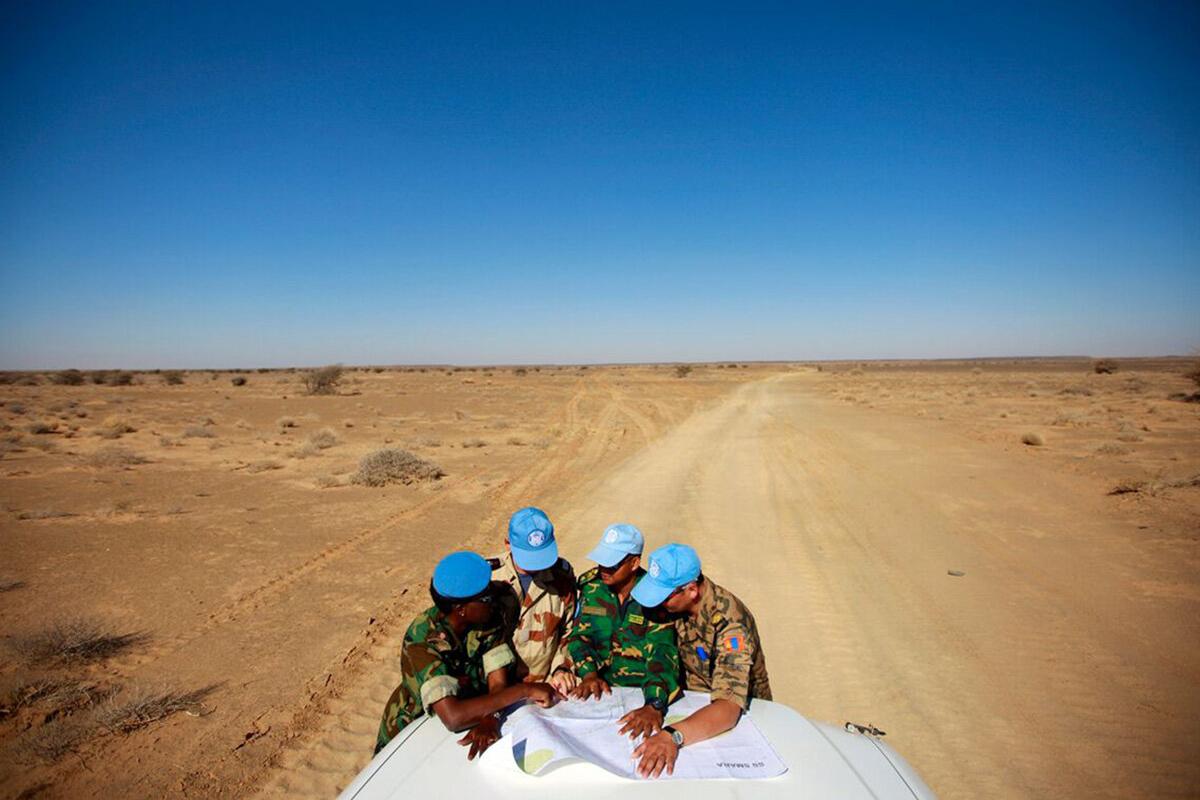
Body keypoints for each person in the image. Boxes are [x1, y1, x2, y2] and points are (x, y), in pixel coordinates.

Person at [374, 551, 558, 758]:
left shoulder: (487, 615)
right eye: (485, 596)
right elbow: (454, 716)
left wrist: (492, 716)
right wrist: (524, 690)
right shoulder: (422, 641)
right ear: (460, 609)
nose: (493, 599)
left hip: (474, 710)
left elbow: (497, 682)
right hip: (414, 729)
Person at [628, 543, 772, 778]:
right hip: (693, 706)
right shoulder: (677, 604)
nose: (658, 604)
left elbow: (728, 707)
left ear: (692, 590)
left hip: (739, 721)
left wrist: (672, 736)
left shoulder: (731, 624)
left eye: (663, 596)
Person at [550, 524, 680, 739]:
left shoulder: (653, 597)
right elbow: (581, 636)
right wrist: (588, 673)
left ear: (634, 563)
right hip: (595, 695)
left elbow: (663, 653)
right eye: (602, 561)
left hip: (639, 697)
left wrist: (654, 704)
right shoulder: (591, 587)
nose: (604, 569)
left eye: (612, 565)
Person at [489, 507, 577, 682]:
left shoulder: (562, 576)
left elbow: (569, 631)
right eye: (528, 557)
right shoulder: (489, 578)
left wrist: (562, 668)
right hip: (496, 691)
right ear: (508, 544)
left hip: (545, 685)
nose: (537, 565)